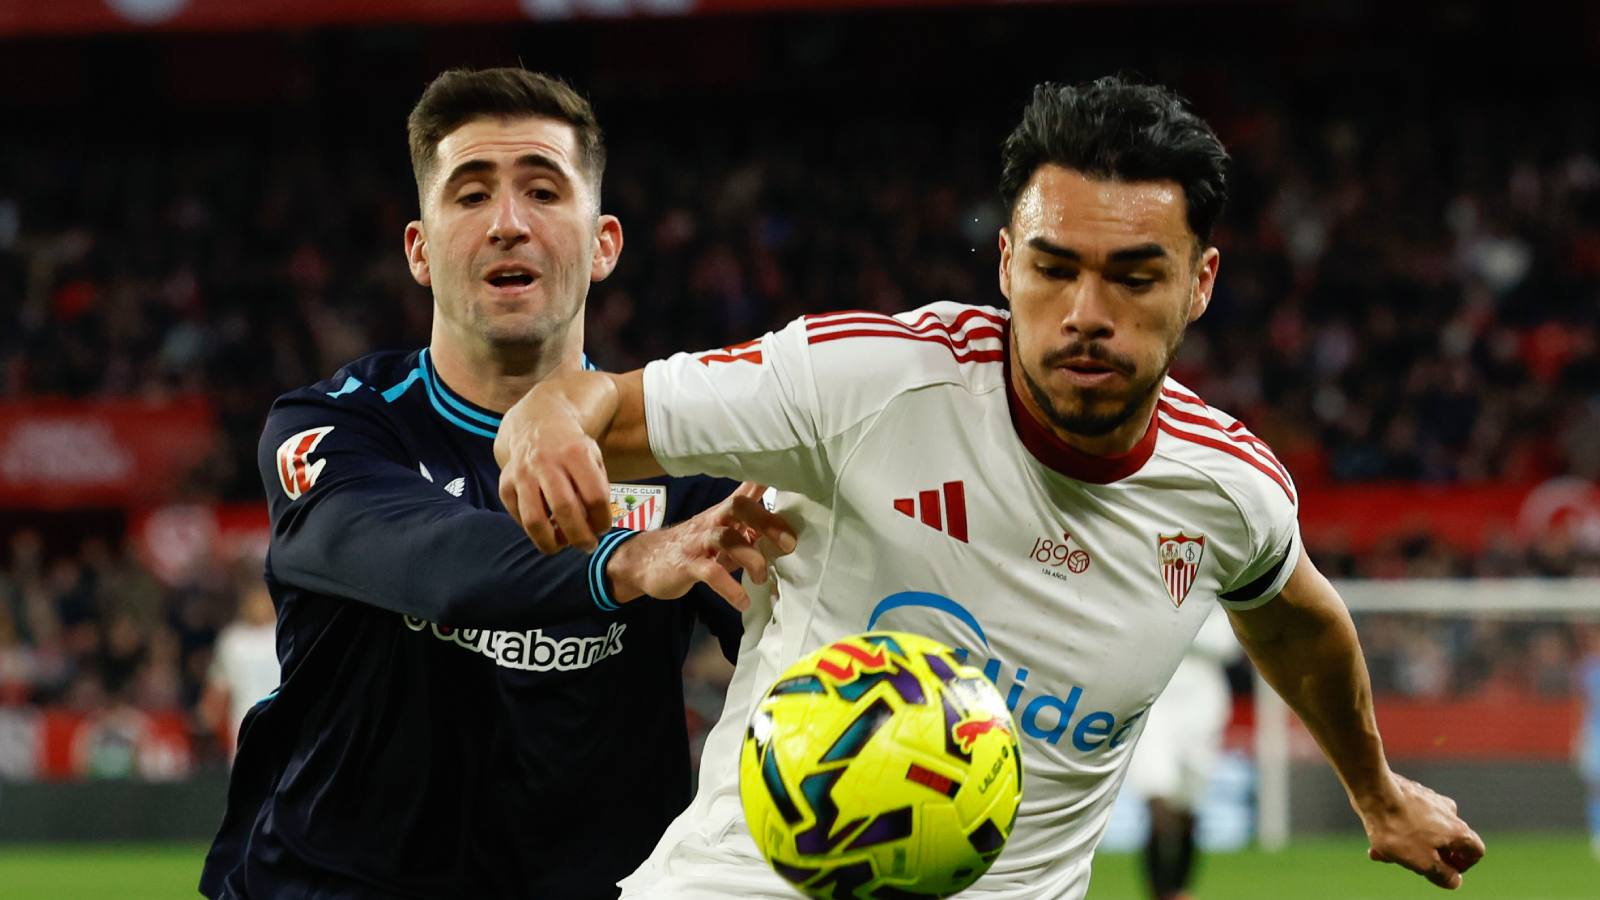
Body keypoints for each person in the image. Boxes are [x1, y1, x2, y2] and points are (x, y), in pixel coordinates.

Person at [495, 76, 1486, 898]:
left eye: (1134, 277)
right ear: (1007, 264)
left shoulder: (1226, 491)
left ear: (1201, 283)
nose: (1085, 313)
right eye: (1054, 269)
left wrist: (1375, 791)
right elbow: (601, 405)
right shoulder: (868, 382)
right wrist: (545, 417)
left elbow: (1295, 616)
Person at [198, 67, 793, 899]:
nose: (508, 224)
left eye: (544, 192)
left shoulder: (685, 462)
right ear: (419, 249)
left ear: (604, 244)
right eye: (470, 195)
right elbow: (435, 564)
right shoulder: (332, 427)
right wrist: (624, 562)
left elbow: (798, 647)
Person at [1125, 605, 1241, 900]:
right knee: (1156, 795)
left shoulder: (1214, 590)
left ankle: (1180, 887)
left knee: (1189, 805)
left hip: (1202, 707)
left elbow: (1228, 643)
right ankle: (1162, 892)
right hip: (1155, 700)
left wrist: (1175, 630)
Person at [199, 582, 280, 760]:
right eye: (254, 600)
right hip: (246, 728)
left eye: (263, 599)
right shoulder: (232, 640)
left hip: (287, 726)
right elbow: (219, 687)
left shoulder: (286, 633)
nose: (259, 605)